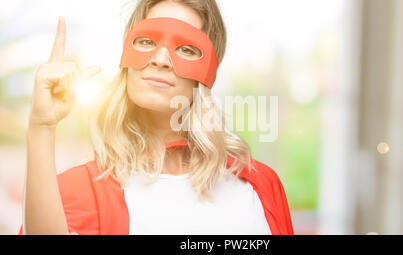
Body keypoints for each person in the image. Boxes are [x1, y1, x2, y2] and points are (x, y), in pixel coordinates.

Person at [19, 0, 293, 235]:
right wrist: (41, 128)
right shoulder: (76, 191)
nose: (161, 59)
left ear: (209, 69)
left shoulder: (260, 186)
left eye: (186, 49)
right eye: (147, 41)